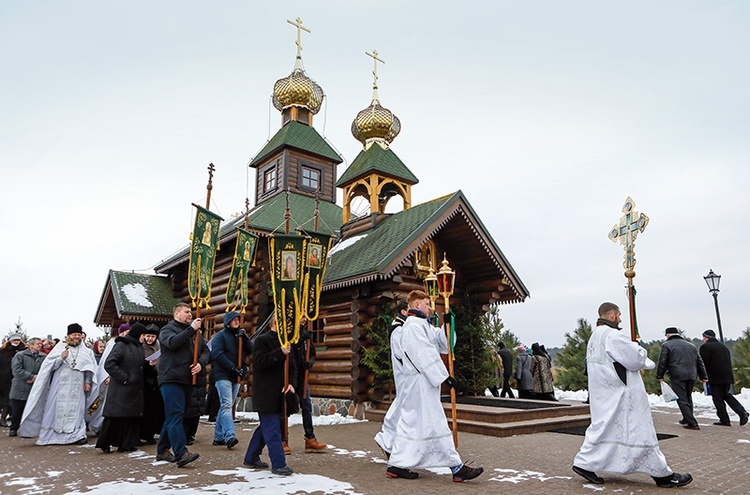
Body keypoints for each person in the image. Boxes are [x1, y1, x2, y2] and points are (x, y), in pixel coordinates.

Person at [572, 302, 692, 488]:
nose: (620, 319)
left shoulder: (595, 336)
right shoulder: (613, 335)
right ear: (612, 316)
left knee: (603, 428)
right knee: (640, 430)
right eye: (619, 315)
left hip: (604, 394)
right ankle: (662, 474)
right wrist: (644, 356)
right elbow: (635, 359)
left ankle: (584, 462)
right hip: (623, 394)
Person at [381, 290, 483, 483]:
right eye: (427, 304)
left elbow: (443, 344)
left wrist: (447, 325)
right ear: (416, 305)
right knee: (434, 422)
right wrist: (445, 377)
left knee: (414, 424)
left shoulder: (423, 325)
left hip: (424, 382)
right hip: (419, 383)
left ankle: (396, 464)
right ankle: (456, 467)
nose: (430, 308)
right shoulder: (411, 327)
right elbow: (424, 354)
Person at [19, 323, 98, 445]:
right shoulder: (59, 348)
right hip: (59, 385)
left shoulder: (87, 352)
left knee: (77, 410)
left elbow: (89, 369)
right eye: (74, 334)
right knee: (55, 409)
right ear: (68, 335)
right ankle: (51, 436)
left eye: (79, 334)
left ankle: (77, 435)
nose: (76, 337)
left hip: (77, 387)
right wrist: (61, 358)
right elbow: (49, 367)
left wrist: (87, 382)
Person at [155, 302, 207, 467]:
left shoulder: (194, 334)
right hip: (171, 378)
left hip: (187, 379)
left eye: (191, 312)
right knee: (176, 414)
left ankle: (162, 450)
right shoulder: (167, 330)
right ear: (176, 314)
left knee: (175, 415)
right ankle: (181, 452)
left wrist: (200, 363)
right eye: (186, 312)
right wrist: (191, 329)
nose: (190, 314)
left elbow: (206, 351)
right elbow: (172, 343)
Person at [243, 315, 295, 476]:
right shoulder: (262, 340)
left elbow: (293, 367)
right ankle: (279, 464)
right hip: (266, 393)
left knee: (268, 426)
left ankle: (251, 457)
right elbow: (260, 362)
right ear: (275, 324)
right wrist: (280, 352)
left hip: (281, 393)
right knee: (272, 428)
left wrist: (292, 383)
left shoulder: (287, 342)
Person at [96, 322, 146, 453]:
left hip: (133, 389)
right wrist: (124, 378)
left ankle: (126, 444)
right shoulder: (121, 345)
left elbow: (138, 365)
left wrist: (149, 364)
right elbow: (110, 364)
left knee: (129, 418)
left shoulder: (139, 347)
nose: (144, 338)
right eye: (143, 335)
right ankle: (104, 443)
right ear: (137, 334)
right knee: (114, 417)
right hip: (121, 388)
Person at [210, 311, 251, 449]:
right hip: (223, 375)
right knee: (227, 404)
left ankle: (218, 436)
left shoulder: (239, 336)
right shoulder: (219, 337)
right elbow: (217, 354)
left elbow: (251, 350)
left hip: (236, 376)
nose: (236, 322)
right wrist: (233, 367)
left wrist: (245, 339)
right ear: (227, 321)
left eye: (238, 320)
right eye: (233, 320)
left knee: (226, 405)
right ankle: (229, 435)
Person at [374, 300, 410, 457]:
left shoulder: (405, 326)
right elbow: (400, 353)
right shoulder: (398, 328)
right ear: (404, 311)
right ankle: (387, 440)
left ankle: (393, 442)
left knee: (404, 406)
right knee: (401, 404)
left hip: (408, 373)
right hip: (405, 374)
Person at [287, 315, 326, 454]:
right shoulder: (289, 332)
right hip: (290, 377)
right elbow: (291, 346)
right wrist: (303, 336)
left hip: (302, 377)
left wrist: (309, 362)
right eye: (301, 316)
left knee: (307, 407)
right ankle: (283, 439)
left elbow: (312, 353)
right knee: (286, 407)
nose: (304, 319)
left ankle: (310, 438)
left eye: (305, 317)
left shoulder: (307, 335)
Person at [656, 327, 708, 430]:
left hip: (677, 375)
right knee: (688, 398)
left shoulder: (666, 345)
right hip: (692, 375)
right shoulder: (691, 346)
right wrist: (703, 376)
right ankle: (686, 418)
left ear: (668, 335)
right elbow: (699, 362)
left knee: (681, 399)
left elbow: (663, 362)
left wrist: (659, 375)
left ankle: (692, 423)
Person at [699, 329, 749, 427]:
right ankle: (741, 412)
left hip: (715, 377)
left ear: (706, 337)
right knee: (726, 395)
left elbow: (703, 363)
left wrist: (703, 376)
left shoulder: (705, 347)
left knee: (717, 398)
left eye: (703, 337)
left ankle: (724, 419)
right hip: (727, 376)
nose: (703, 339)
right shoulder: (723, 347)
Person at [9, 337, 45, 437]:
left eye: (40, 343)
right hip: (20, 386)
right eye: (37, 344)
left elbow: (46, 369)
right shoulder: (20, 355)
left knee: (32, 409)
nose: (40, 345)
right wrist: (31, 377)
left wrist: (38, 378)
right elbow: (17, 370)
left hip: (35, 387)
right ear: (31, 345)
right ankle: (14, 428)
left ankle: (29, 430)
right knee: (17, 409)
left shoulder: (43, 357)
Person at [140, 324, 164, 445]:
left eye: (152, 336)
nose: (150, 339)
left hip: (157, 382)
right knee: (145, 410)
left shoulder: (160, 347)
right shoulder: (141, 348)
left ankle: (151, 434)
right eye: (148, 336)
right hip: (145, 383)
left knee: (155, 411)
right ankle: (142, 434)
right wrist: (148, 365)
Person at [0, 333, 26, 426]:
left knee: (10, 399)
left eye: (18, 340)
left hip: (17, 378)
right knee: (4, 399)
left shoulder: (24, 351)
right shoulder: (3, 351)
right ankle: (2, 418)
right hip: (4, 378)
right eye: (14, 340)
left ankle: (5, 418)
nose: (16, 342)